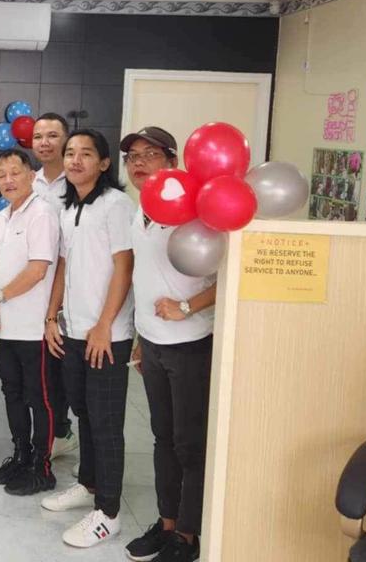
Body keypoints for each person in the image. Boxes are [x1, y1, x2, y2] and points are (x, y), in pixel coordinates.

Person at [120, 127, 216, 562]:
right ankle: (168, 523)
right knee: (162, 437)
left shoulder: (196, 211)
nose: (139, 162)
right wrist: (141, 340)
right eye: (133, 157)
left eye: (151, 154)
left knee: (188, 443)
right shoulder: (141, 210)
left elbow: (231, 275)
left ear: (173, 162)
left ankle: (188, 538)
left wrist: (187, 306)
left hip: (191, 344)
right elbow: (145, 277)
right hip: (154, 345)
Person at [40, 130, 136, 548]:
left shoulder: (116, 205)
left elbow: (124, 266)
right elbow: (64, 264)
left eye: (86, 154)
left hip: (107, 335)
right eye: (70, 154)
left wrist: (104, 325)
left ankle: (109, 513)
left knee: (106, 422)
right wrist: (51, 316)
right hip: (73, 329)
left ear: (104, 163)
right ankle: (89, 484)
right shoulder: (69, 206)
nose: (75, 160)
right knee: (83, 412)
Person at [0, 149, 59, 496]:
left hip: (33, 327)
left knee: (39, 398)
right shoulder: (3, 216)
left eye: (15, 172)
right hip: (5, 325)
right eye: (1, 174)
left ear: (31, 175)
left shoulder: (42, 213)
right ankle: (21, 455)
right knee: (11, 392)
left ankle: (42, 467)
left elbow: (38, 270)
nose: (8, 180)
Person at [28, 112, 78, 462]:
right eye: (38, 136)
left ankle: (62, 432)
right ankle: (54, 430)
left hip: (69, 288)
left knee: (62, 367)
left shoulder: (75, 183)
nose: (44, 142)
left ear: (66, 140)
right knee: (41, 368)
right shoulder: (29, 181)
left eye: (52, 136)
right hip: (34, 288)